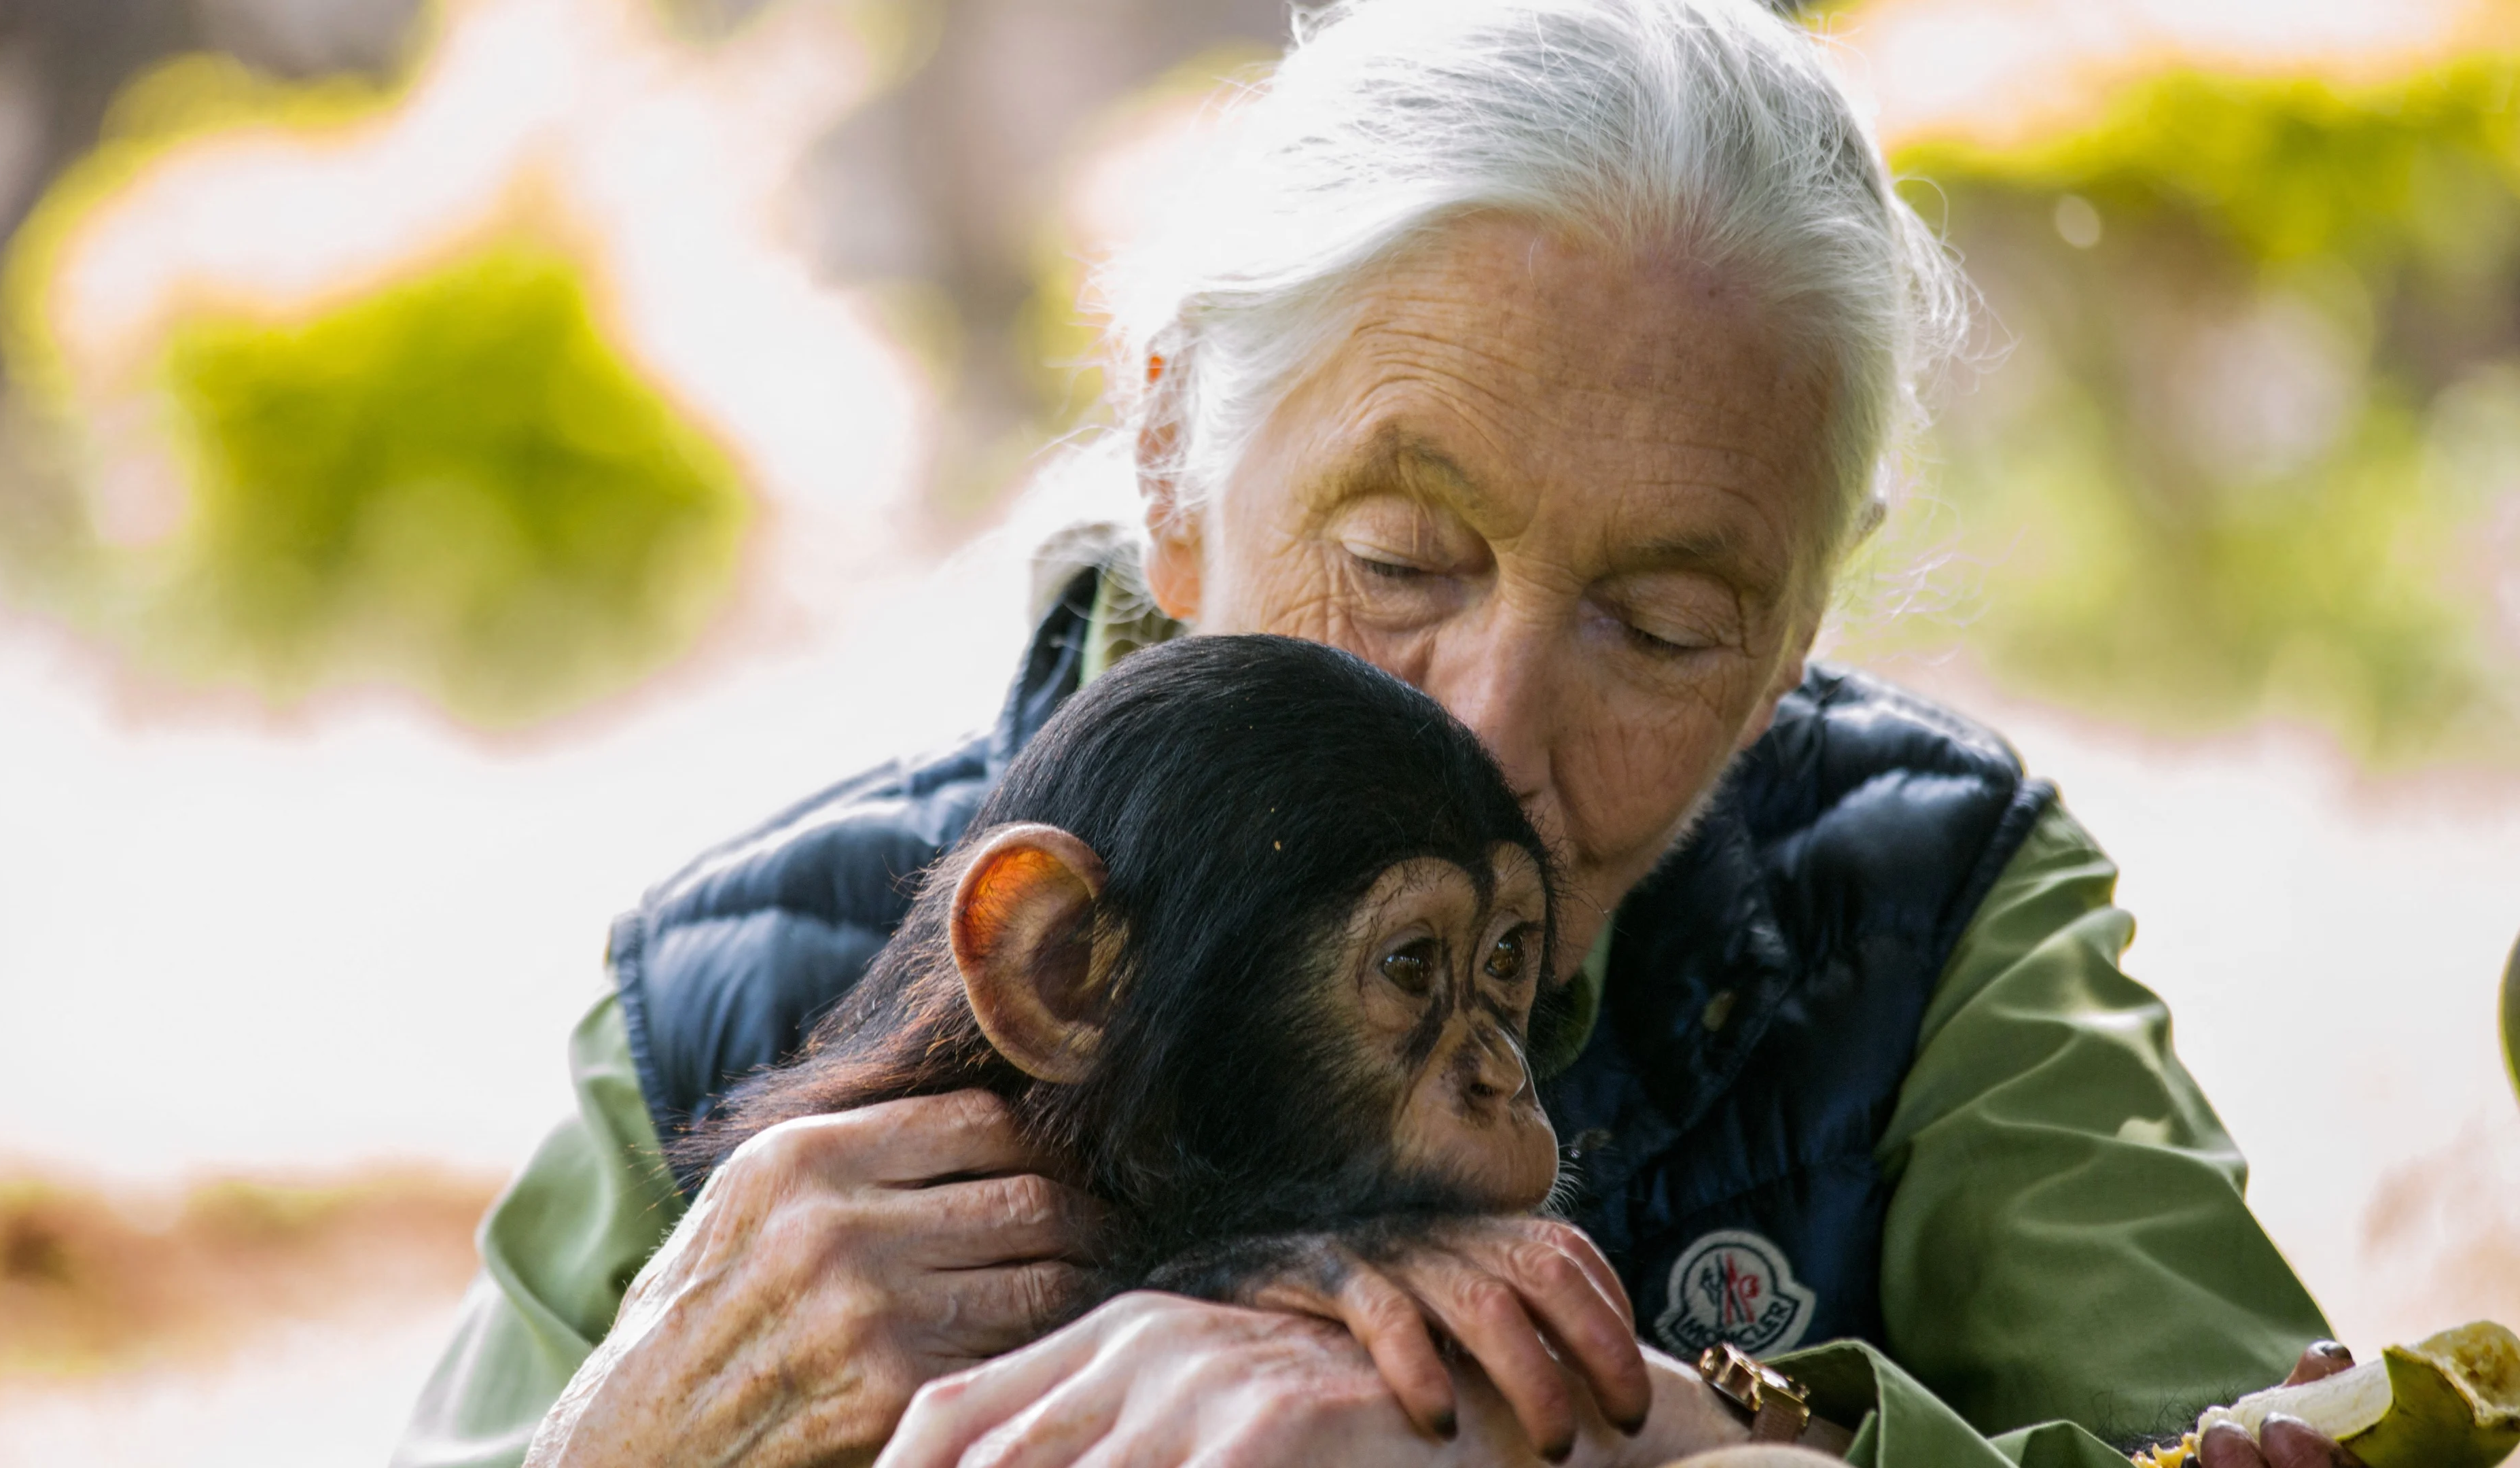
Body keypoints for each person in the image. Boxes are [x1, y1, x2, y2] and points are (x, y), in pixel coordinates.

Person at [392, 1, 2354, 1464]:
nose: (1489, 727)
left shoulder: (1924, 906)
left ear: (1791, 644)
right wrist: (626, 1440)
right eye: (1405, 559)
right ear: (1175, 463)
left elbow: (2295, 1442)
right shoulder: (742, 1000)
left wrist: (1675, 1435)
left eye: (1666, 627)